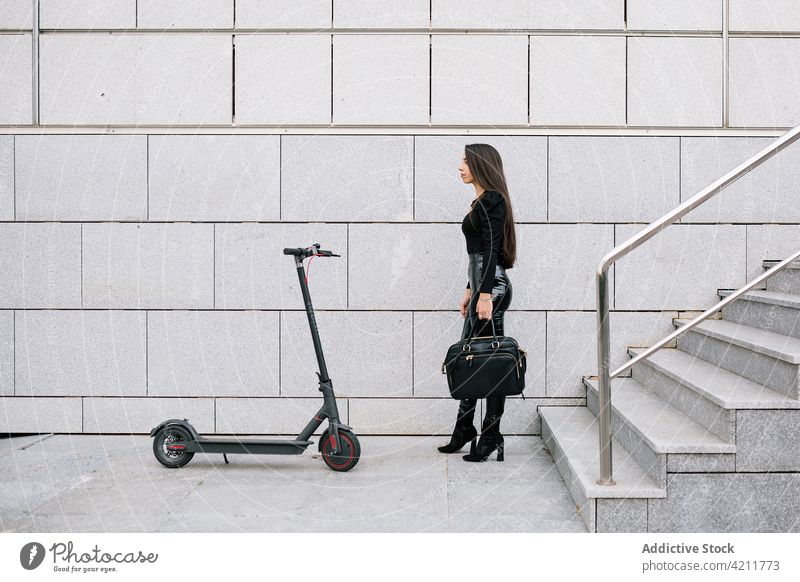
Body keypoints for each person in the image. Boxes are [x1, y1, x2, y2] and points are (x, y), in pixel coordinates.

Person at [438, 143, 517, 462]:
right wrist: (470, 290)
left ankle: (490, 434)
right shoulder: (482, 201)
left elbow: (493, 249)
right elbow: (479, 254)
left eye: (466, 161)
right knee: (471, 358)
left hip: (493, 288)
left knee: (492, 362)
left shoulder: (493, 200)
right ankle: (465, 429)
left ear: (481, 166)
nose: (460, 166)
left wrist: (484, 294)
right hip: (485, 286)